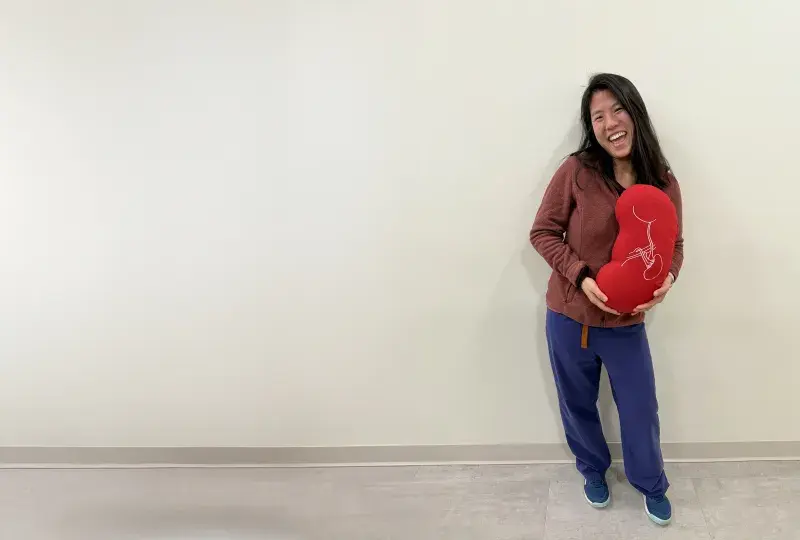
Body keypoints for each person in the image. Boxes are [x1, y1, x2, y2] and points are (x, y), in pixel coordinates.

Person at [529, 73, 684, 526]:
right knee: (577, 403)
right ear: (590, 126)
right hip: (570, 318)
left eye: (617, 109)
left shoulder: (662, 180)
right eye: (598, 116)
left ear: (635, 114)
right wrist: (580, 276)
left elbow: (675, 245)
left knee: (640, 408)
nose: (610, 122)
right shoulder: (576, 171)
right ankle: (592, 471)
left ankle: (651, 483)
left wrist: (668, 278)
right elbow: (542, 233)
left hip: (625, 324)